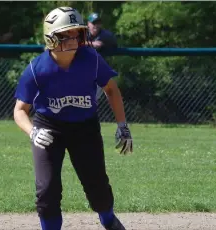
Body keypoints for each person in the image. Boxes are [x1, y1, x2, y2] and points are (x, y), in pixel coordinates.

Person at [13, 6, 133, 230]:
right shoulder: (37, 69)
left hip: (84, 128)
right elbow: (20, 110)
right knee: (47, 189)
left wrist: (122, 125)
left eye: (76, 33)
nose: (73, 39)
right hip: (48, 128)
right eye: (65, 34)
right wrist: (32, 132)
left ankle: (109, 220)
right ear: (51, 38)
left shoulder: (91, 59)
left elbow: (112, 90)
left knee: (97, 186)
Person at [86, 13, 118, 100]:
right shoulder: (83, 34)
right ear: (88, 24)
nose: (96, 25)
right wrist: (90, 44)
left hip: (99, 74)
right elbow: (72, 43)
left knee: (90, 101)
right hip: (82, 73)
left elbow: (102, 44)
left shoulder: (105, 35)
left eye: (98, 23)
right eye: (93, 23)